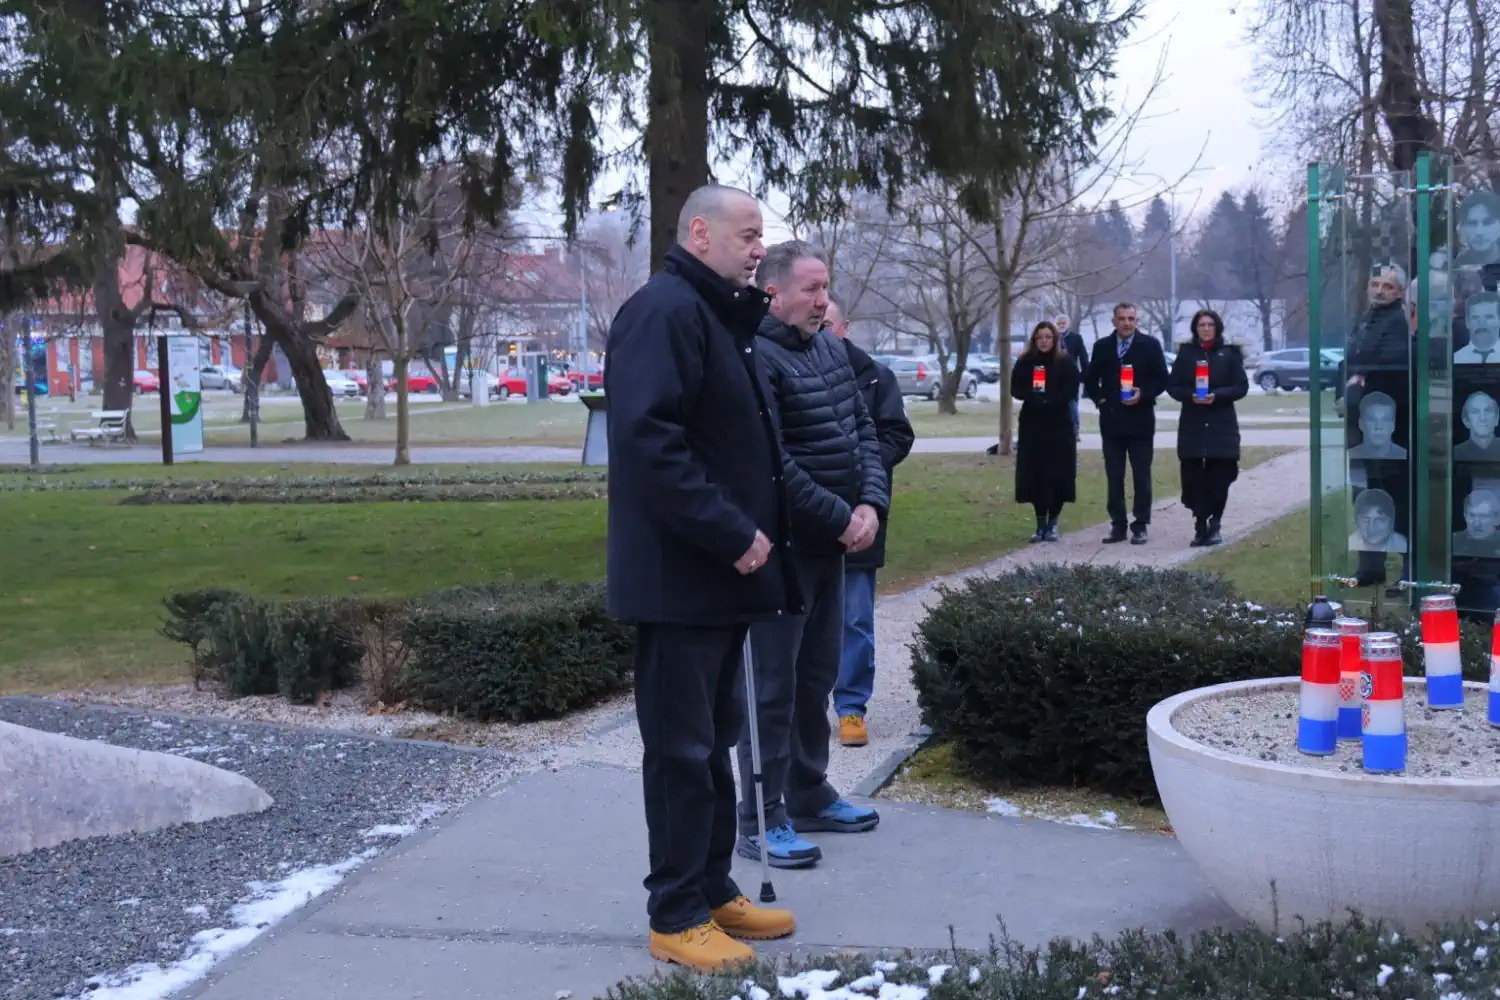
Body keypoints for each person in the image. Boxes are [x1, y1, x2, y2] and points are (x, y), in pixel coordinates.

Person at [603, 183, 801, 973]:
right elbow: (651, 445)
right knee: (681, 748)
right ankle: (675, 912)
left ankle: (712, 888)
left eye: (762, 235)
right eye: (749, 234)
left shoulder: (718, 314)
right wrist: (731, 532)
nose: (761, 248)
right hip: (682, 577)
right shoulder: (662, 312)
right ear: (700, 232)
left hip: (719, 575)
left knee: (714, 740)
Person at [737, 239, 890, 871]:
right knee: (772, 688)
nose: (822, 299)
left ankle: (807, 791)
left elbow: (866, 432)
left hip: (835, 547)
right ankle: (759, 815)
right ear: (774, 292)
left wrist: (871, 506)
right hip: (785, 553)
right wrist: (839, 518)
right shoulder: (756, 358)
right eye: (811, 288)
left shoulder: (831, 348)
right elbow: (772, 463)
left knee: (815, 680)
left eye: (825, 287)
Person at [822, 293, 915, 748]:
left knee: (855, 617)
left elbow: (897, 434)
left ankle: (851, 706)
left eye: (829, 324)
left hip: (862, 514)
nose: (821, 330)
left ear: (844, 328)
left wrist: (858, 464)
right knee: (806, 617)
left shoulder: (877, 378)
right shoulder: (785, 369)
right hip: (809, 515)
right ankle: (805, 703)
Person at [1084, 301, 1170, 544]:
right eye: (1122, 319)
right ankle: (1118, 524)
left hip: (1140, 421)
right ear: (1114, 322)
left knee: (1141, 474)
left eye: (1131, 319)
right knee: (1114, 475)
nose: (1126, 323)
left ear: (1137, 321)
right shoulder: (1102, 347)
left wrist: (1143, 393)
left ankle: (1140, 524)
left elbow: (1162, 379)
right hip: (1112, 422)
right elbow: (1090, 380)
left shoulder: (1150, 345)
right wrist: (1101, 400)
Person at [1166, 309, 1249, 547]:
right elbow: (1173, 386)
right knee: (1193, 479)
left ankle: (1215, 524)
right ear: (1195, 328)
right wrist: (1191, 396)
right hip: (1193, 423)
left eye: (1210, 324)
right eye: (1201, 324)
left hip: (1221, 424)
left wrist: (1218, 395)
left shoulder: (1229, 354)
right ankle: (1199, 522)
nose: (1205, 328)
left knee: (1219, 477)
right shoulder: (1186, 353)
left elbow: (1241, 386)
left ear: (1217, 327)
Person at [1010, 320, 1080, 541]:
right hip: (1033, 424)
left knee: (1058, 473)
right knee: (1036, 474)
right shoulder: (1025, 362)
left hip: (1059, 424)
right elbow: (1016, 388)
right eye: (1040, 337)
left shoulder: (1065, 362)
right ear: (1034, 339)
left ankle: (1053, 522)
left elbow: (1071, 389)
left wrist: (1051, 401)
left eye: (1048, 337)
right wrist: (1033, 397)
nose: (1044, 341)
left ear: (1055, 339)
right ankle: (1040, 522)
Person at [1056, 314, 1089, 441]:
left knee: (1072, 404)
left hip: (1071, 376)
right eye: (1059, 324)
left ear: (1068, 324)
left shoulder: (1076, 338)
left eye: (1063, 323)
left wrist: (1083, 375)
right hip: (1054, 376)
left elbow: (1083, 357)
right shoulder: (1051, 338)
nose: (1061, 326)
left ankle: (1074, 431)